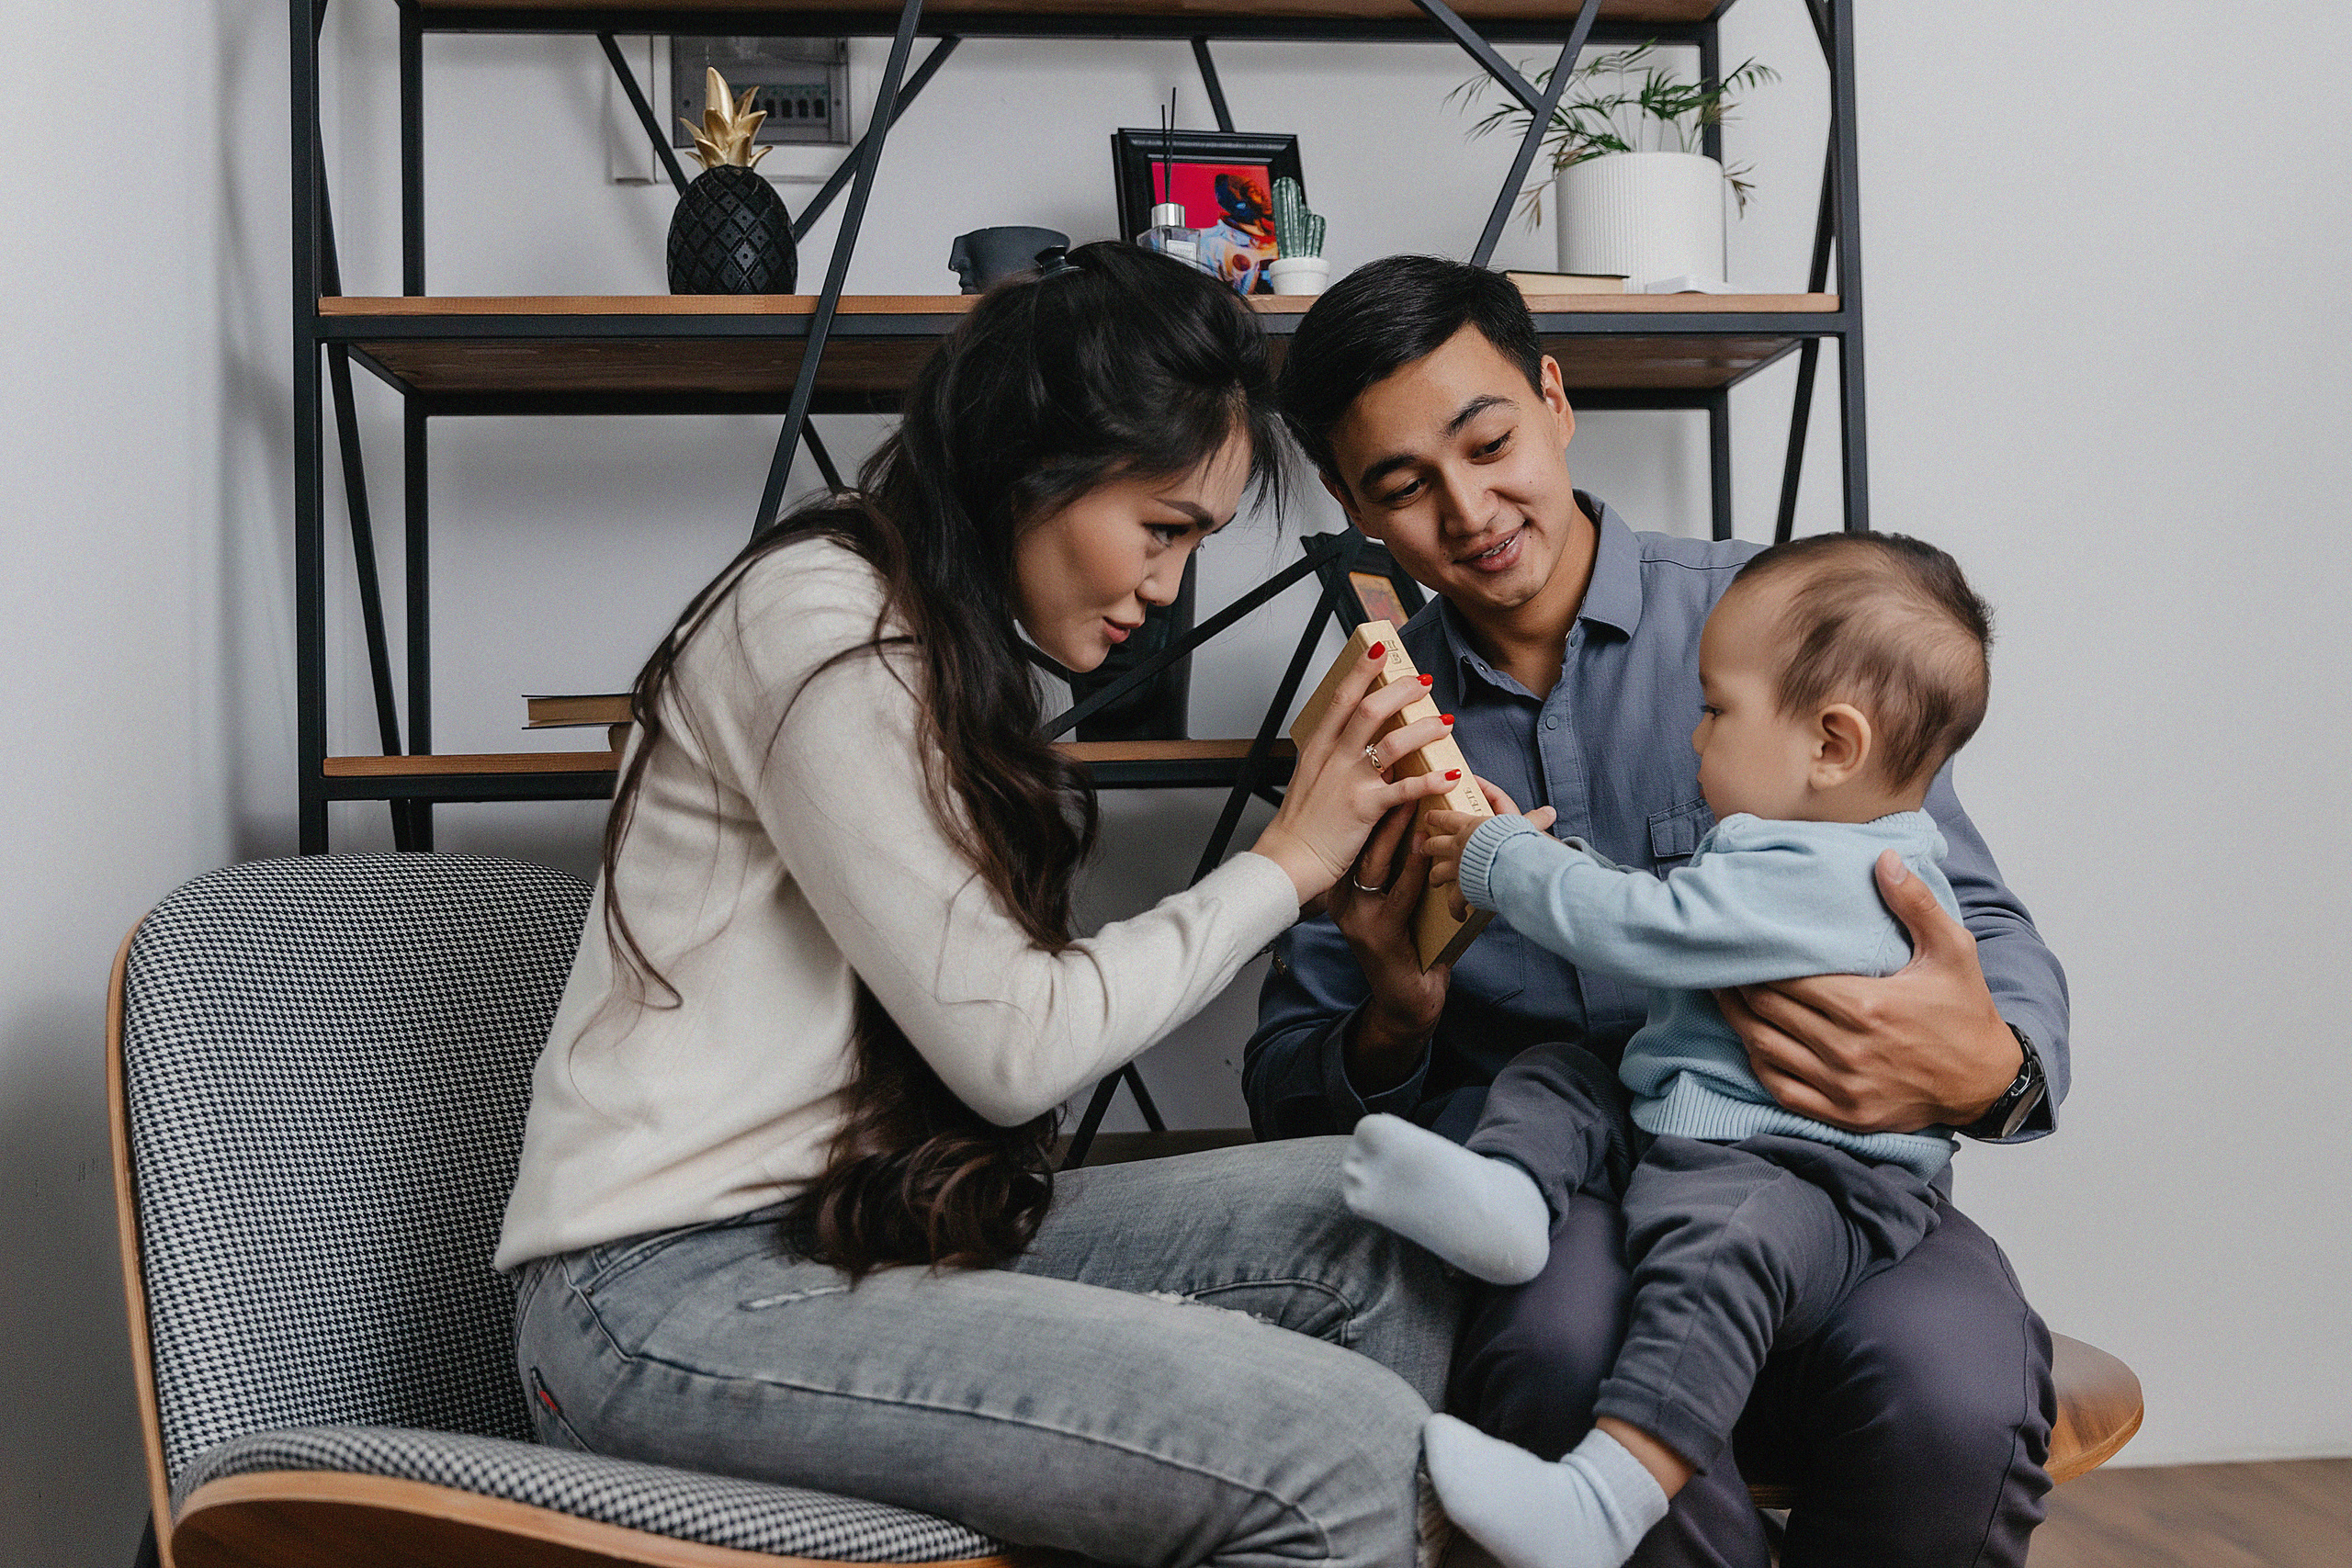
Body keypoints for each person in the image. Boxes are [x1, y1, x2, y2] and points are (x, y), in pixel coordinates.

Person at [496, 243, 1467, 1568]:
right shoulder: (817, 624)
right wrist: (1286, 859)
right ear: (1037, 466)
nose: (1171, 587)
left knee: (1388, 1218)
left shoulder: (943, 643)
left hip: (855, 1241)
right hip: (664, 1295)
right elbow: (1016, 1047)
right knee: (1342, 1448)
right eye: (1163, 526)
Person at [1249, 256, 2067, 1568]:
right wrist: (1396, 1017)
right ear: (1355, 509)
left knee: (1954, 1398)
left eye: (1490, 441)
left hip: (1820, 1154)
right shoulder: (1366, 735)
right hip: (1553, 1178)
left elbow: (1975, 917)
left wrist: (1990, 1067)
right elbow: (1289, 1084)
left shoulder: (1780, 626)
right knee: (1560, 1354)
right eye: (1401, 486)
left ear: (1555, 400)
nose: (1469, 510)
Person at [1348, 531, 2003, 1568]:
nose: (1693, 738)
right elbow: (1674, 912)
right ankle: (1512, 1200)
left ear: (1833, 746)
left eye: (1714, 711)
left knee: (1714, 1261)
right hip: (1696, 1116)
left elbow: (1647, 928)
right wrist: (1551, 858)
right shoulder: (1798, 838)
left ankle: (1608, 1496)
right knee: (1556, 1074)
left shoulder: (1829, 866)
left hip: (1803, 1172)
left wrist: (1503, 860)